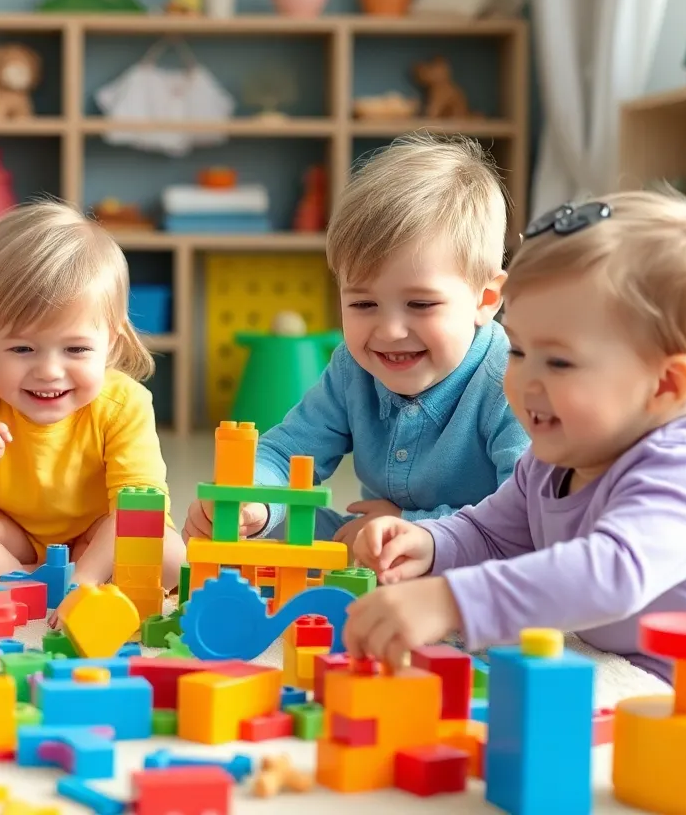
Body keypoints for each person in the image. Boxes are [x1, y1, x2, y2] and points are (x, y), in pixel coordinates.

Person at [346, 192, 686, 700]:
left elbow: (608, 574)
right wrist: (428, 544)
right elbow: (492, 534)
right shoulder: (552, 458)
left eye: (558, 362)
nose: (522, 381)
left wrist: (452, 601)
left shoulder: (684, 471)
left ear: (665, 385)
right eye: (517, 349)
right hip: (634, 675)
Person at [184, 133, 529, 544]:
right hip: (383, 541)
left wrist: (413, 524)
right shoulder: (353, 367)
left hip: (482, 552)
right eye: (364, 305)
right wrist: (252, 504)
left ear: (486, 299)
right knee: (276, 531)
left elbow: (522, 513)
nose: (388, 332)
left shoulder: (511, 383)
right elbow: (286, 451)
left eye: (420, 305)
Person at [0, 202, 185, 589]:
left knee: (171, 554)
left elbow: (140, 510)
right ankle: (30, 589)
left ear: (110, 340)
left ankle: (59, 586)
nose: (48, 371)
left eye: (76, 349)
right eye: (23, 349)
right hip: (13, 542)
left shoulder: (125, 404)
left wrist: (86, 576)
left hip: (94, 542)